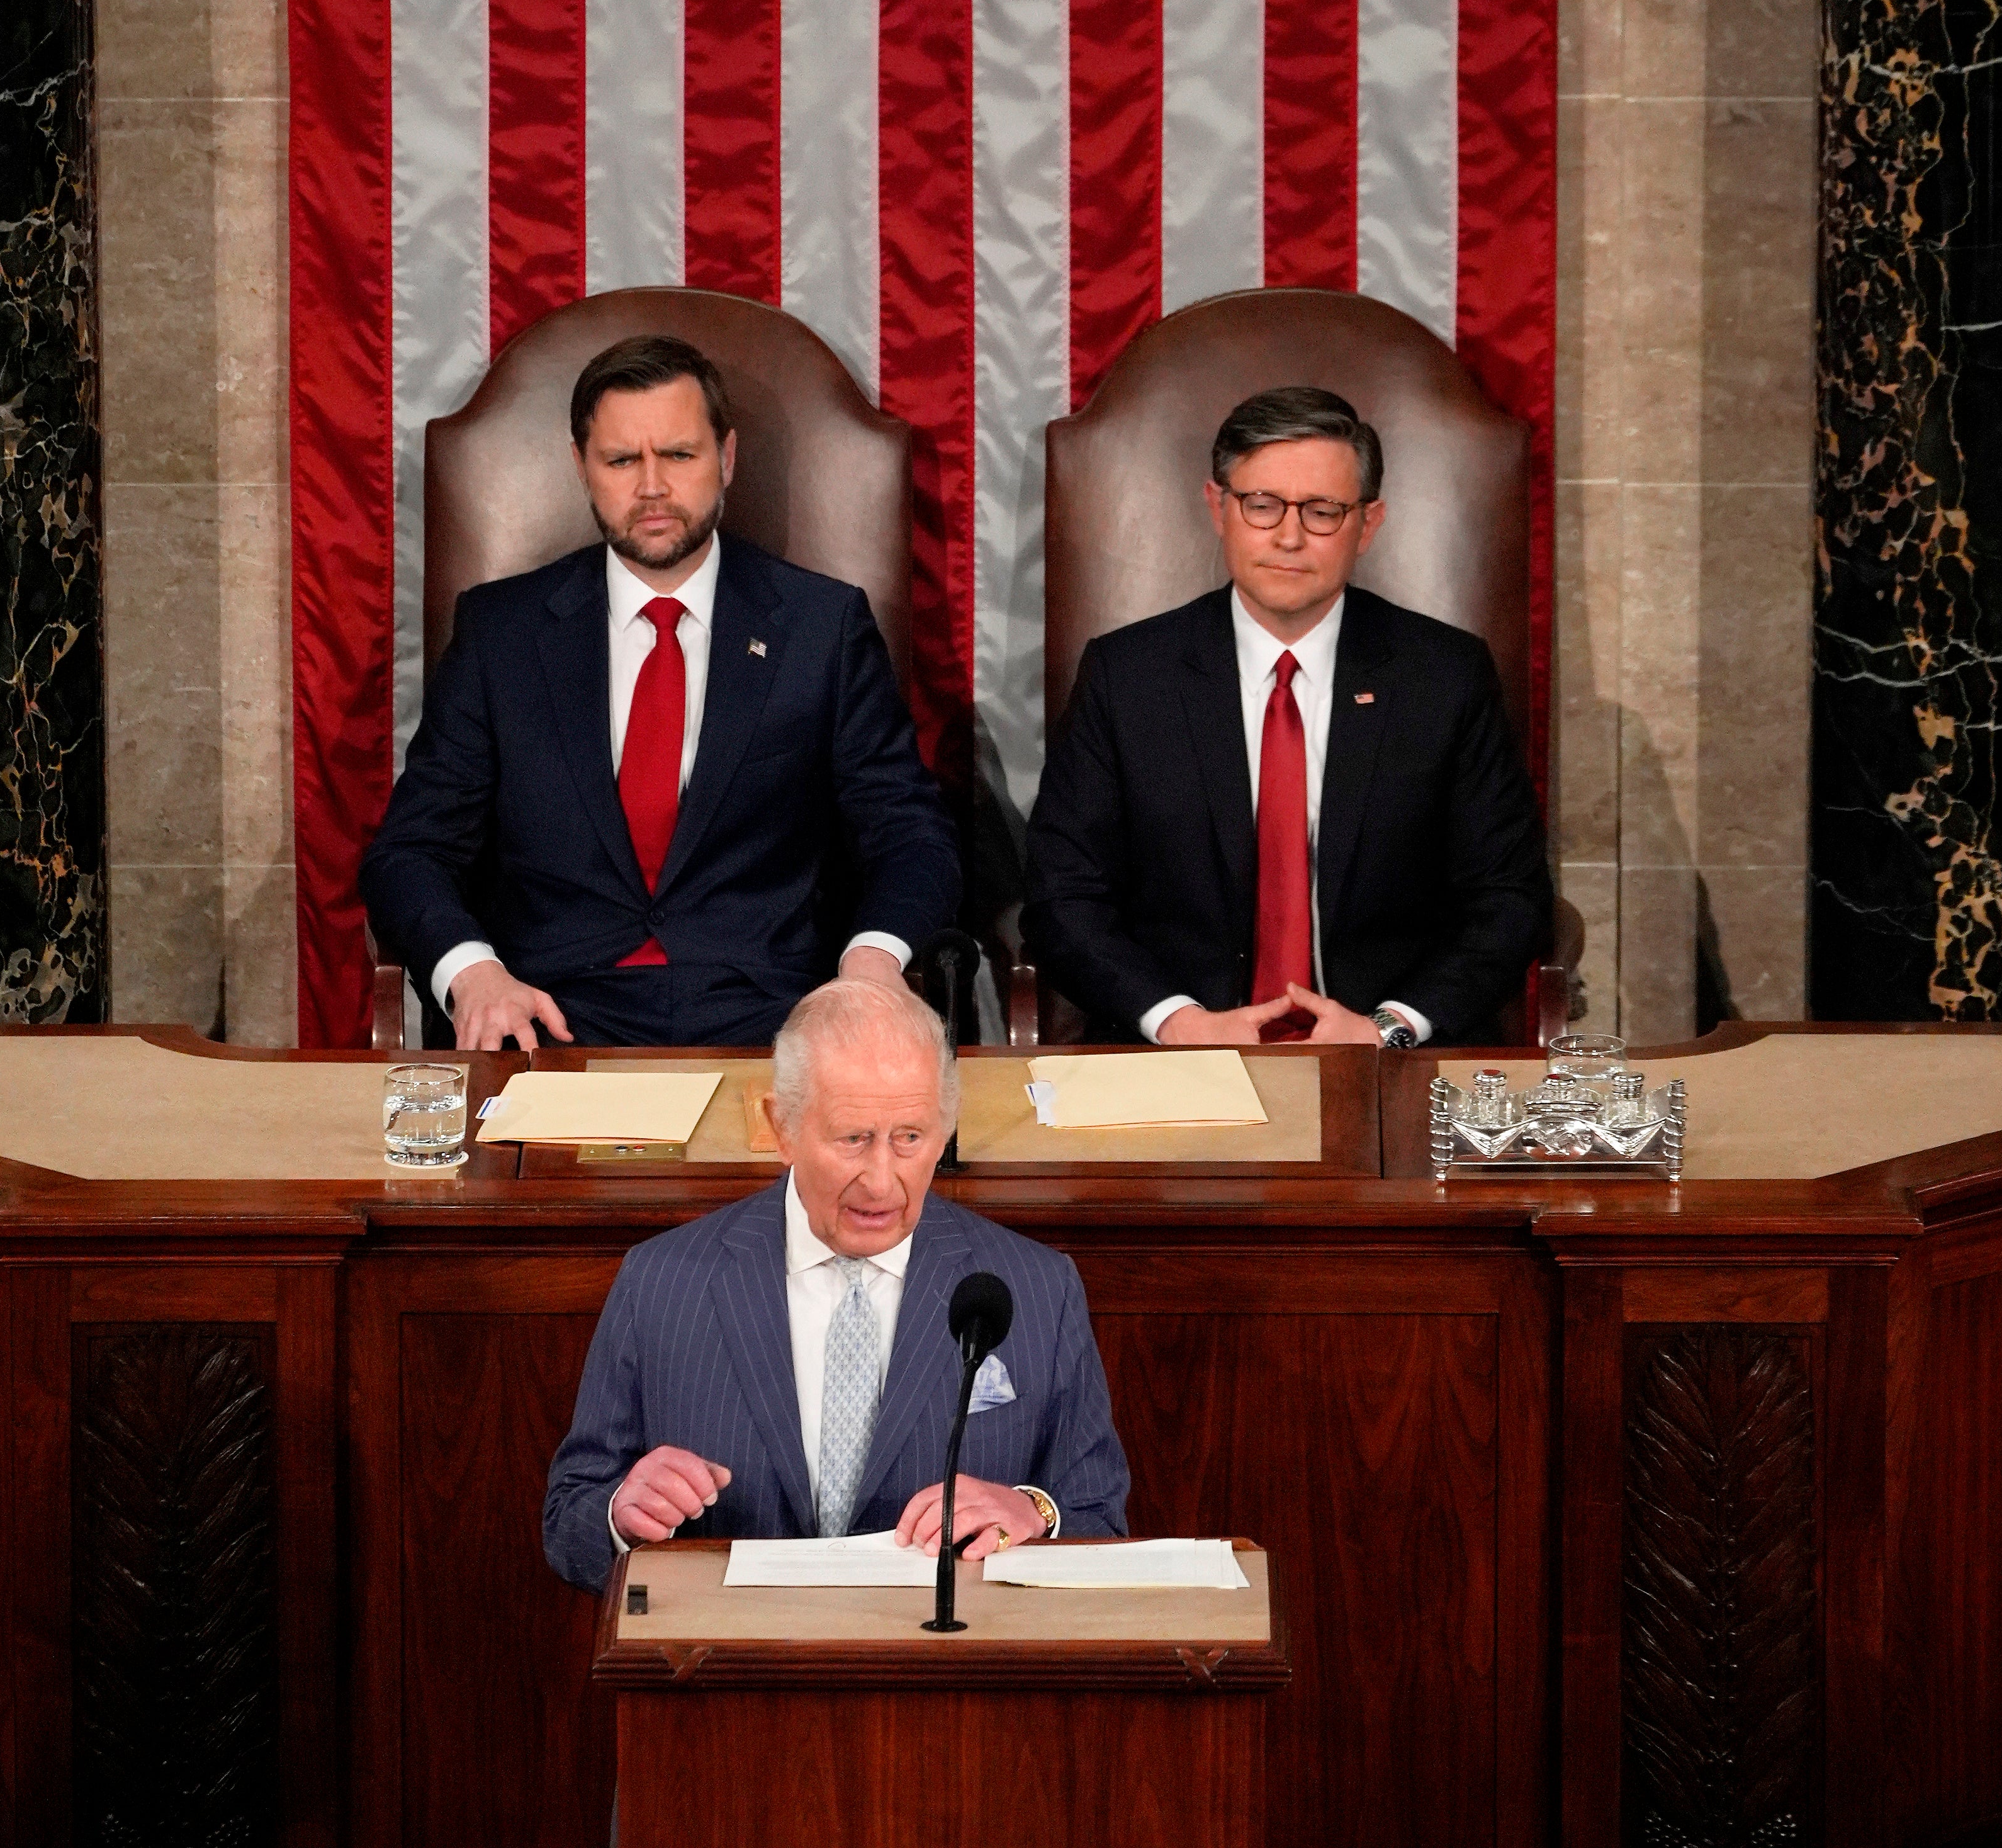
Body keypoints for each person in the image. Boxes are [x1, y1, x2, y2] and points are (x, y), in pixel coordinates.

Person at [360, 334, 962, 1051]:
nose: (651, 486)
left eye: (678, 455)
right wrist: (474, 974)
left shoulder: (821, 627)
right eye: (621, 460)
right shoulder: (502, 633)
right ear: (581, 467)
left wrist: (872, 962)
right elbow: (410, 852)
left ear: (727, 458)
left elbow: (911, 835)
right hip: (549, 1018)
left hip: (772, 1019)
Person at [543, 978, 1130, 1586]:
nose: (881, 1181)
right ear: (781, 1127)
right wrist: (621, 1515)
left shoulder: (1038, 1288)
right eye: (854, 1139)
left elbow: (1100, 1520)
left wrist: (1035, 1513)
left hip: (944, 1643)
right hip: (734, 1642)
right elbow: (568, 1526)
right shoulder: (662, 1282)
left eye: (910, 1138)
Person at [1021, 384, 1551, 1051]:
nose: (1290, 536)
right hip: (1178, 1056)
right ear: (1218, 507)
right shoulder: (1127, 676)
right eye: (1262, 505)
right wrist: (1178, 1022)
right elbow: (1062, 897)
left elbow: (1509, 898)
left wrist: (1388, 1029)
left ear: (1369, 524)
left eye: (1323, 512)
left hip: (1383, 1057)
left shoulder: (1445, 677)